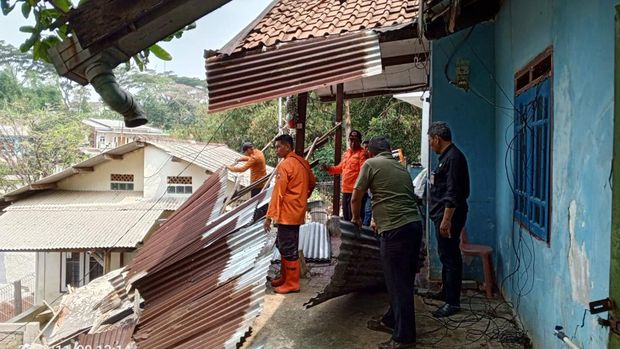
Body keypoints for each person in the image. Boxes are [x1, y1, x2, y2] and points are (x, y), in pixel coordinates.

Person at [351, 136, 422, 349]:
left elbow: (356, 196)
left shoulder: (370, 164)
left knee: (397, 283)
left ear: (371, 152)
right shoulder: (400, 167)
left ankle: (404, 338)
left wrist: (355, 218)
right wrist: (378, 219)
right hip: (414, 226)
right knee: (403, 280)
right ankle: (392, 320)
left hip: (396, 231)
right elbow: (393, 196)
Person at [427, 121, 470, 318]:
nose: (429, 143)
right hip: (442, 215)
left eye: (430, 139)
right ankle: (446, 292)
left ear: (437, 138)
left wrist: (446, 220)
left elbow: (453, 192)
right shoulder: (446, 157)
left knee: (451, 257)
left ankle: (452, 302)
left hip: (449, 216)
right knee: (445, 255)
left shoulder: (453, 158)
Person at [264, 134, 316, 294]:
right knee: (287, 244)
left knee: (287, 246)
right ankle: (286, 278)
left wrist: (268, 217)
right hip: (297, 211)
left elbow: (278, 193)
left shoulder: (285, 165)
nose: (276, 150)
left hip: (287, 213)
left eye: (278, 146)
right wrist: (303, 197)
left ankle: (292, 283)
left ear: (287, 146)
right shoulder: (303, 162)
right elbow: (313, 182)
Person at [321, 130, 367, 221]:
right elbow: (340, 168)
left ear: (360, 141)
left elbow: (364, 172)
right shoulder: (346, 153)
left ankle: (356, 235)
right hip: (346, 191)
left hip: (356, 192)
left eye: (355, 140)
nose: (353, 143)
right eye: (351, 140)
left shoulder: (363, 154)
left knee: (355, 219)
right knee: (347, 218)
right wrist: (328, 168)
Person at [361, 140, 373, 226]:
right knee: (365, 210)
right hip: (363, 190)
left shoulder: (374, 160)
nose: (366, 150)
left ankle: (365, 228)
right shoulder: (361, 159)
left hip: (372, 191)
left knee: (368, 211)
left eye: (368, 148)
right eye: (364, 147)